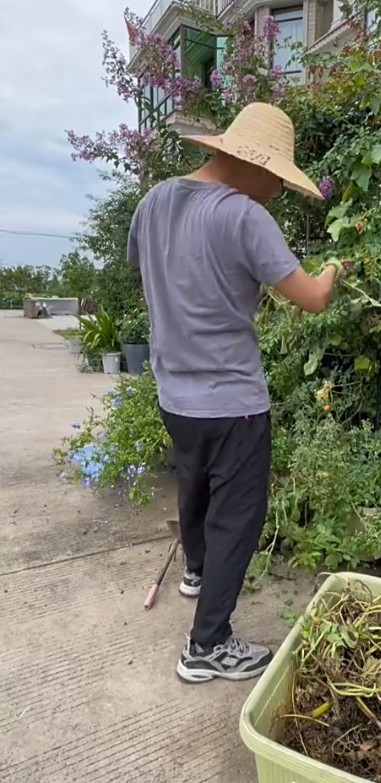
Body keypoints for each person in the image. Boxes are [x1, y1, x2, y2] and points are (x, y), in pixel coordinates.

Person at [127, 102, 345, 684]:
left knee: (193, 486)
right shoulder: (244, 217)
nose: (276, 188)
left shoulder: (152, 204)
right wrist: (332, 273)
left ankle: (196, 572)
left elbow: (152, 275)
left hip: (174, 392)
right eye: (276, 175)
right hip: (234, 402)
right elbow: (312, 299)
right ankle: (207, 647)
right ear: (250, 162)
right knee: (237, 517)